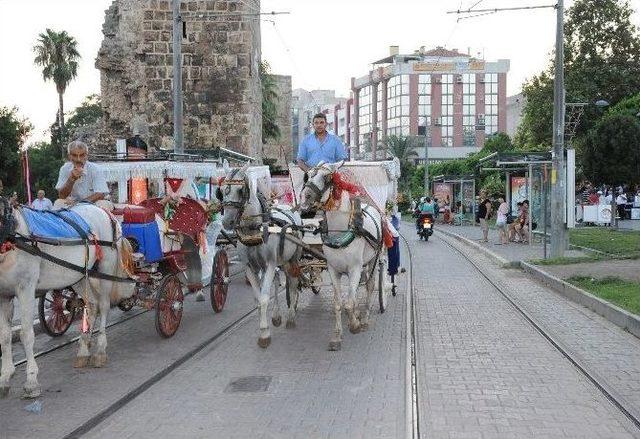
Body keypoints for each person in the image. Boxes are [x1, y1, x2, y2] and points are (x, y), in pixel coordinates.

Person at [55, 140, 109, 208]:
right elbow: (62, 196)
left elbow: (100, 194)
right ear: (69, 156)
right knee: (58, 203)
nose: (78, 159)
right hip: (73, 202)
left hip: (94, 202)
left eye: (82, 155)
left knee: (101, 204)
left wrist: (79, 204)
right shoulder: (65, 169)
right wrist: (72, 179)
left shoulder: (95, 168)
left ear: (86, 155)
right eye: (74, 155)